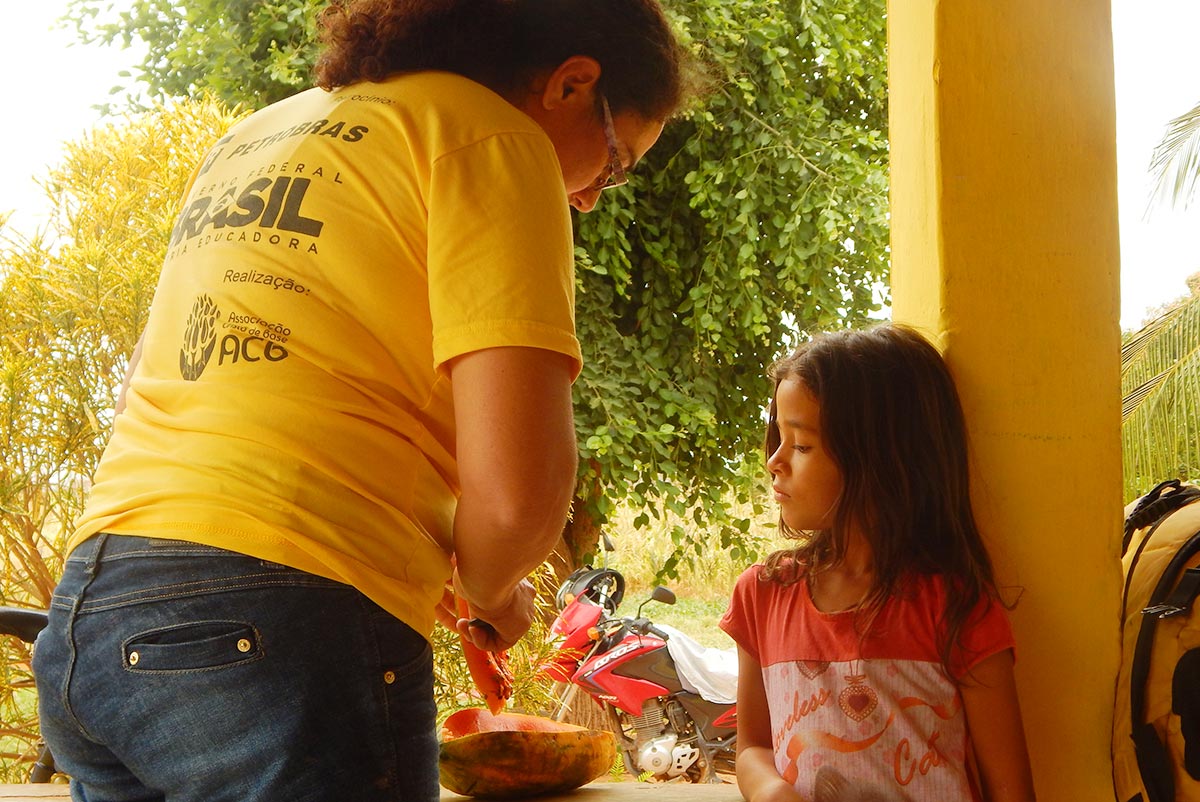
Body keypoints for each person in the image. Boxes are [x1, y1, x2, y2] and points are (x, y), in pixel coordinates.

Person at [32, 2, 696, 800]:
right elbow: (522, 496)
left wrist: (447, 562)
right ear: (570, 83)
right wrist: (490, 589)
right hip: (278, 633)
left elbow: (164, 377)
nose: (591, 196)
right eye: (617, 161)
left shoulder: (257, 137)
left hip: (96, 613)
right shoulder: (492, 136)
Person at [720, 325, 1037, 802]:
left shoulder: (955, 606)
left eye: (801, 445)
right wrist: (770, 790)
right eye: (778, 439)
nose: (774, 461)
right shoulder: (762, 595)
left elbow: (1011, 792)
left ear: (880, 461)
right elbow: (754, 748)